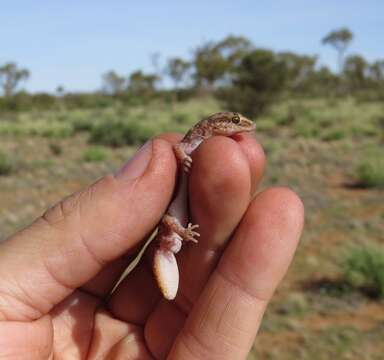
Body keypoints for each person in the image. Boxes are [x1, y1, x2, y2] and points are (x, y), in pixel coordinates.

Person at [0, 132, 303, 359]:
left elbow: (171, 220)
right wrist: (183, 234)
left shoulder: (168, 235)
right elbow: (172, 219)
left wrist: (181, 233)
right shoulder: (171, 235)